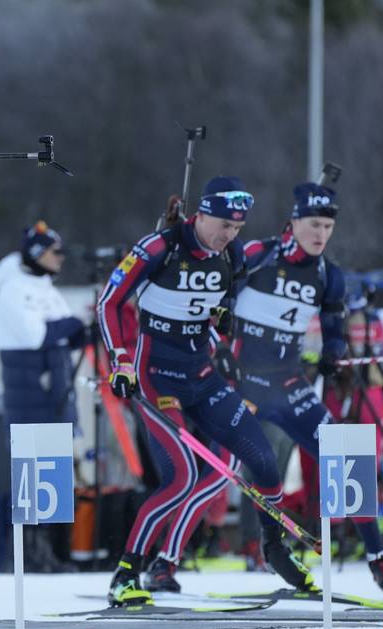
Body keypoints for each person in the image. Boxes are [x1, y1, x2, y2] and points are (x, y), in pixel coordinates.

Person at [146, 183, 383, 598]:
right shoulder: (255, 254)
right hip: (243, 384)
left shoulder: (328, 275)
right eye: (315, 225)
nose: (322, 235)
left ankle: (379, 559)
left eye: (328, 227)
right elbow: (211, 285)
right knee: (218, 473)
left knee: (347, 454)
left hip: (289, 386)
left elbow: (334, 329)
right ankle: (164, 562)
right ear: (295, 222)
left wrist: (334, 352)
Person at [96, 176, 314, 606]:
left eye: (236, 228)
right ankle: (127, 572)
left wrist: (223, 337)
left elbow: (214, 309)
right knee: (181, 478)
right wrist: (120, 360)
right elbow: (109, 303)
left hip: (202, 375)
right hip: (157, 378)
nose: (228, 235)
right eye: (222, 225)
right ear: (203, 213)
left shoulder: (230, 253)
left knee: (263, 459)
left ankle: (274, 549)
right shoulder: (160, 247)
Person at [0, 221, 87, 428]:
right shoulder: (13, 290)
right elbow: (35, 336)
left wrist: (88, 327)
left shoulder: (49, 291)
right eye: (55, 251)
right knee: (35, 460)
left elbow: (68, 339)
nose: (61, 257)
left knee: (62, 459)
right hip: (30, 408)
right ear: (37, 253)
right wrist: (76, 322)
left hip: (58, 402)